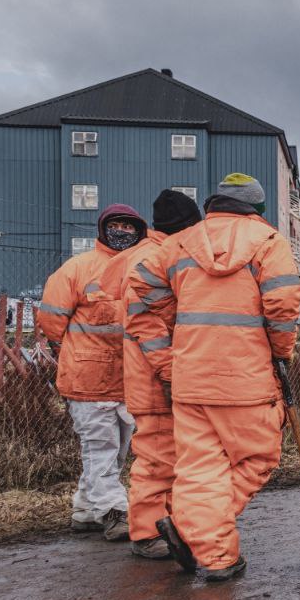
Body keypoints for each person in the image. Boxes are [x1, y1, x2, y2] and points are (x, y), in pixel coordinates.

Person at [128, 173, 300, 582]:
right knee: (259, 458)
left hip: (191, 377)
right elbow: (283, 304)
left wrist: (179, 316)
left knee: (198, 467)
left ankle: (211, 549)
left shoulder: (180, 242)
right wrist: (280, 351)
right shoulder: (269, 243)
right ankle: (200, 534)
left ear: (215, 204)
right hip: (245, 377)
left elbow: (141, 281)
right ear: (257, 209)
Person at [99, 189, 202, 560]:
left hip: (156, 376)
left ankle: (168, 525)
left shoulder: (150, 254)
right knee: (157, 458)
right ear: (185, 227)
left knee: (169, 457)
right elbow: (148, 326)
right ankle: (145, 533)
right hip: (155, 380)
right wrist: (172, 373)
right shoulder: (156, 259)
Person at [36, 204, 146, 542]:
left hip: (128, 379)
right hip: (88, 381)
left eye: (129, 227)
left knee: (118, 451)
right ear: (103, 228)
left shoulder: (144, 267)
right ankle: (114, 513)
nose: (123, 232)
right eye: (116, 225)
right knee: (100, 448)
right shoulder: (77, 269)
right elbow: (52, 322)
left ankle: (85, 510)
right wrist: (75, 352)